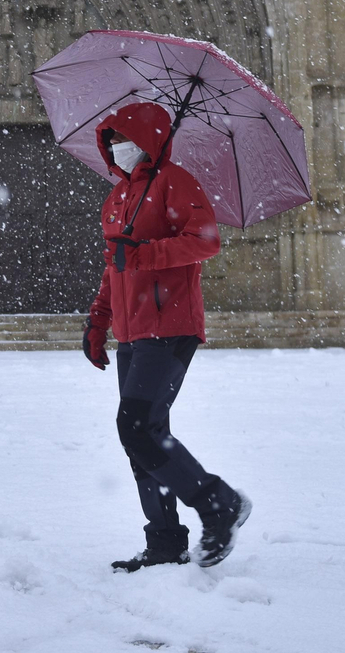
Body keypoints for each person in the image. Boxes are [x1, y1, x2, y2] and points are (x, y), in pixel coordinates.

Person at [82, 101, 252, 572]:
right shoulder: (116, 198)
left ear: (149, 139)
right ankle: (164, 541)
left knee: (137, 429)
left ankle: (218, 504)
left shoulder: (175, 182)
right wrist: (99, 323)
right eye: (111, 140)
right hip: (132, 334)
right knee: (142, 439)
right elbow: (113, 268)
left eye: (124, 138)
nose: (117, 148)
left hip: (170, 325)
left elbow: (205, 239)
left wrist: (144, 255)